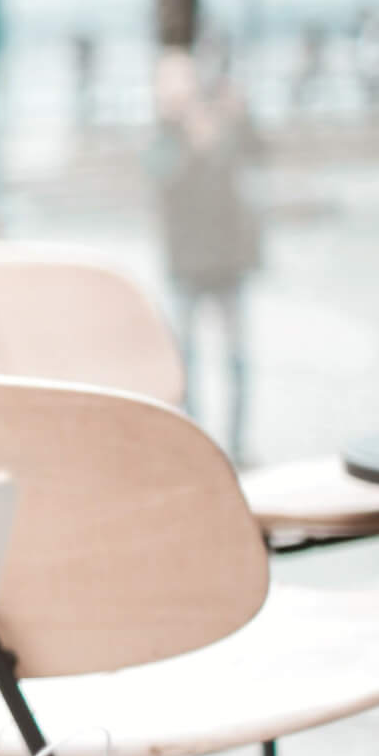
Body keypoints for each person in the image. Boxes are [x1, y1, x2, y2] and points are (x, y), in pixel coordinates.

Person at [148, 48, 262, 459]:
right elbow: (166, 184)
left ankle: (238, 444)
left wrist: (237, 113)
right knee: (186, 364)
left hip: (227, 262)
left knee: (237, 360)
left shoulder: (219, 121)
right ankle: (197, 447)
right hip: (187, 266)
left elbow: (256, 152)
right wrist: (193, 139)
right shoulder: (162, 135)